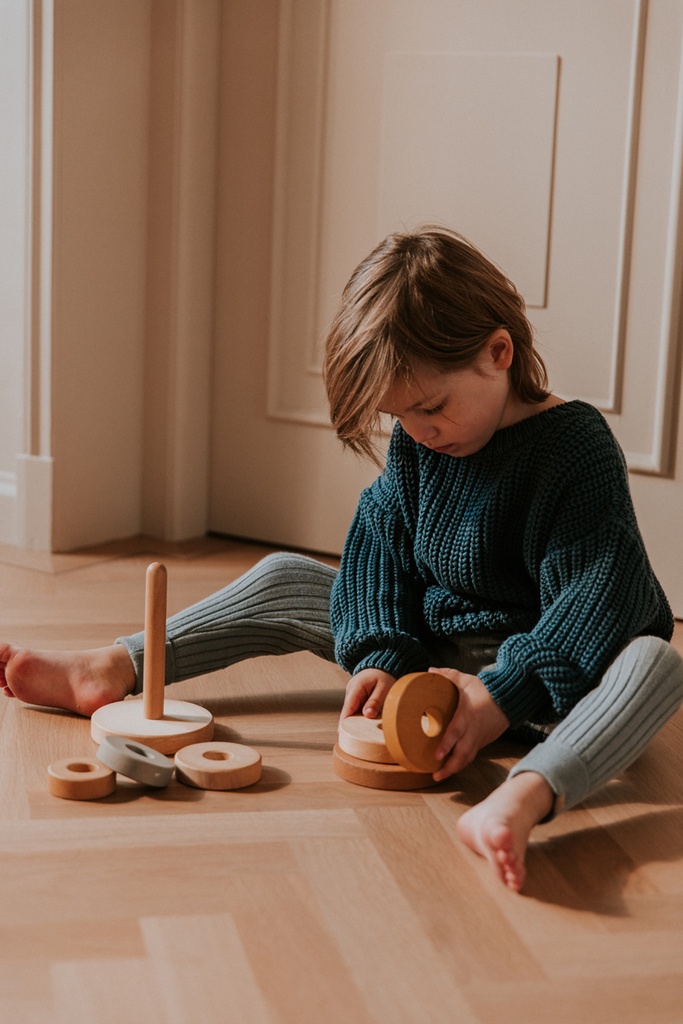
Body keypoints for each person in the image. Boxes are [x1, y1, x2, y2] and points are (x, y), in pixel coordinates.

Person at [2, 226, 682, 892]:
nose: (416, 432)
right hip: (440, 657)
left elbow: (595, 602)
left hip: (553, 681)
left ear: (497, 352)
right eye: (400, 418)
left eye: (430, 408)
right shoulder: (423, 444)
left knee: (654, 662)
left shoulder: (574, 451)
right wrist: (384, 656)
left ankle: (525, 797)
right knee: (286, 577)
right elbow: (378, 546)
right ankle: (115, 666)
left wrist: (501, 695)